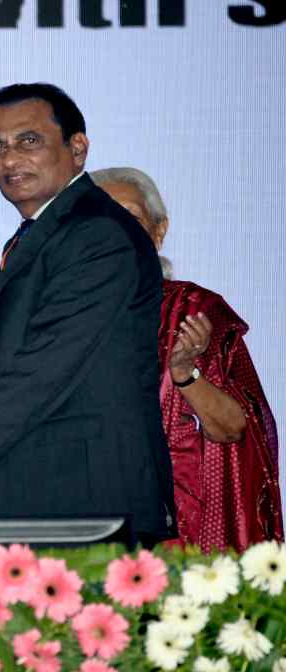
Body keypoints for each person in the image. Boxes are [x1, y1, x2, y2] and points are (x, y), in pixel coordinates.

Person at [0, 83, 176, 543]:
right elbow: (67, 362)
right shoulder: (46, 233)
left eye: (29, 141)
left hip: (82, 507)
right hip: (45, 500)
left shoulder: (96, 234)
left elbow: (46, 373)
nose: (9, 159)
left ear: (77, 148)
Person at [92, 166, 282, 551]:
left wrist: (184, 373)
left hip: (180, 534)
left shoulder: (192, 310)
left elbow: (232, 429)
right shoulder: (62, 317)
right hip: (88, 527)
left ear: (158, 232)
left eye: (129, 217)